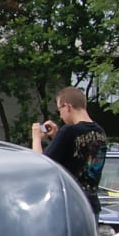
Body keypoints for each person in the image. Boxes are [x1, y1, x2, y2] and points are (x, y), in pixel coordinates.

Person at [31, 86, 107, 216]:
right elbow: (77, 154)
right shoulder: (100, 132)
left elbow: (41, 166)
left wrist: (36, 138)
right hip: (91, 205)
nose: (60, 115)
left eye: (59, 109)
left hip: (70, 205)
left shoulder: (69, 131)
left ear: (67, 107)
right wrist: (56, 137)